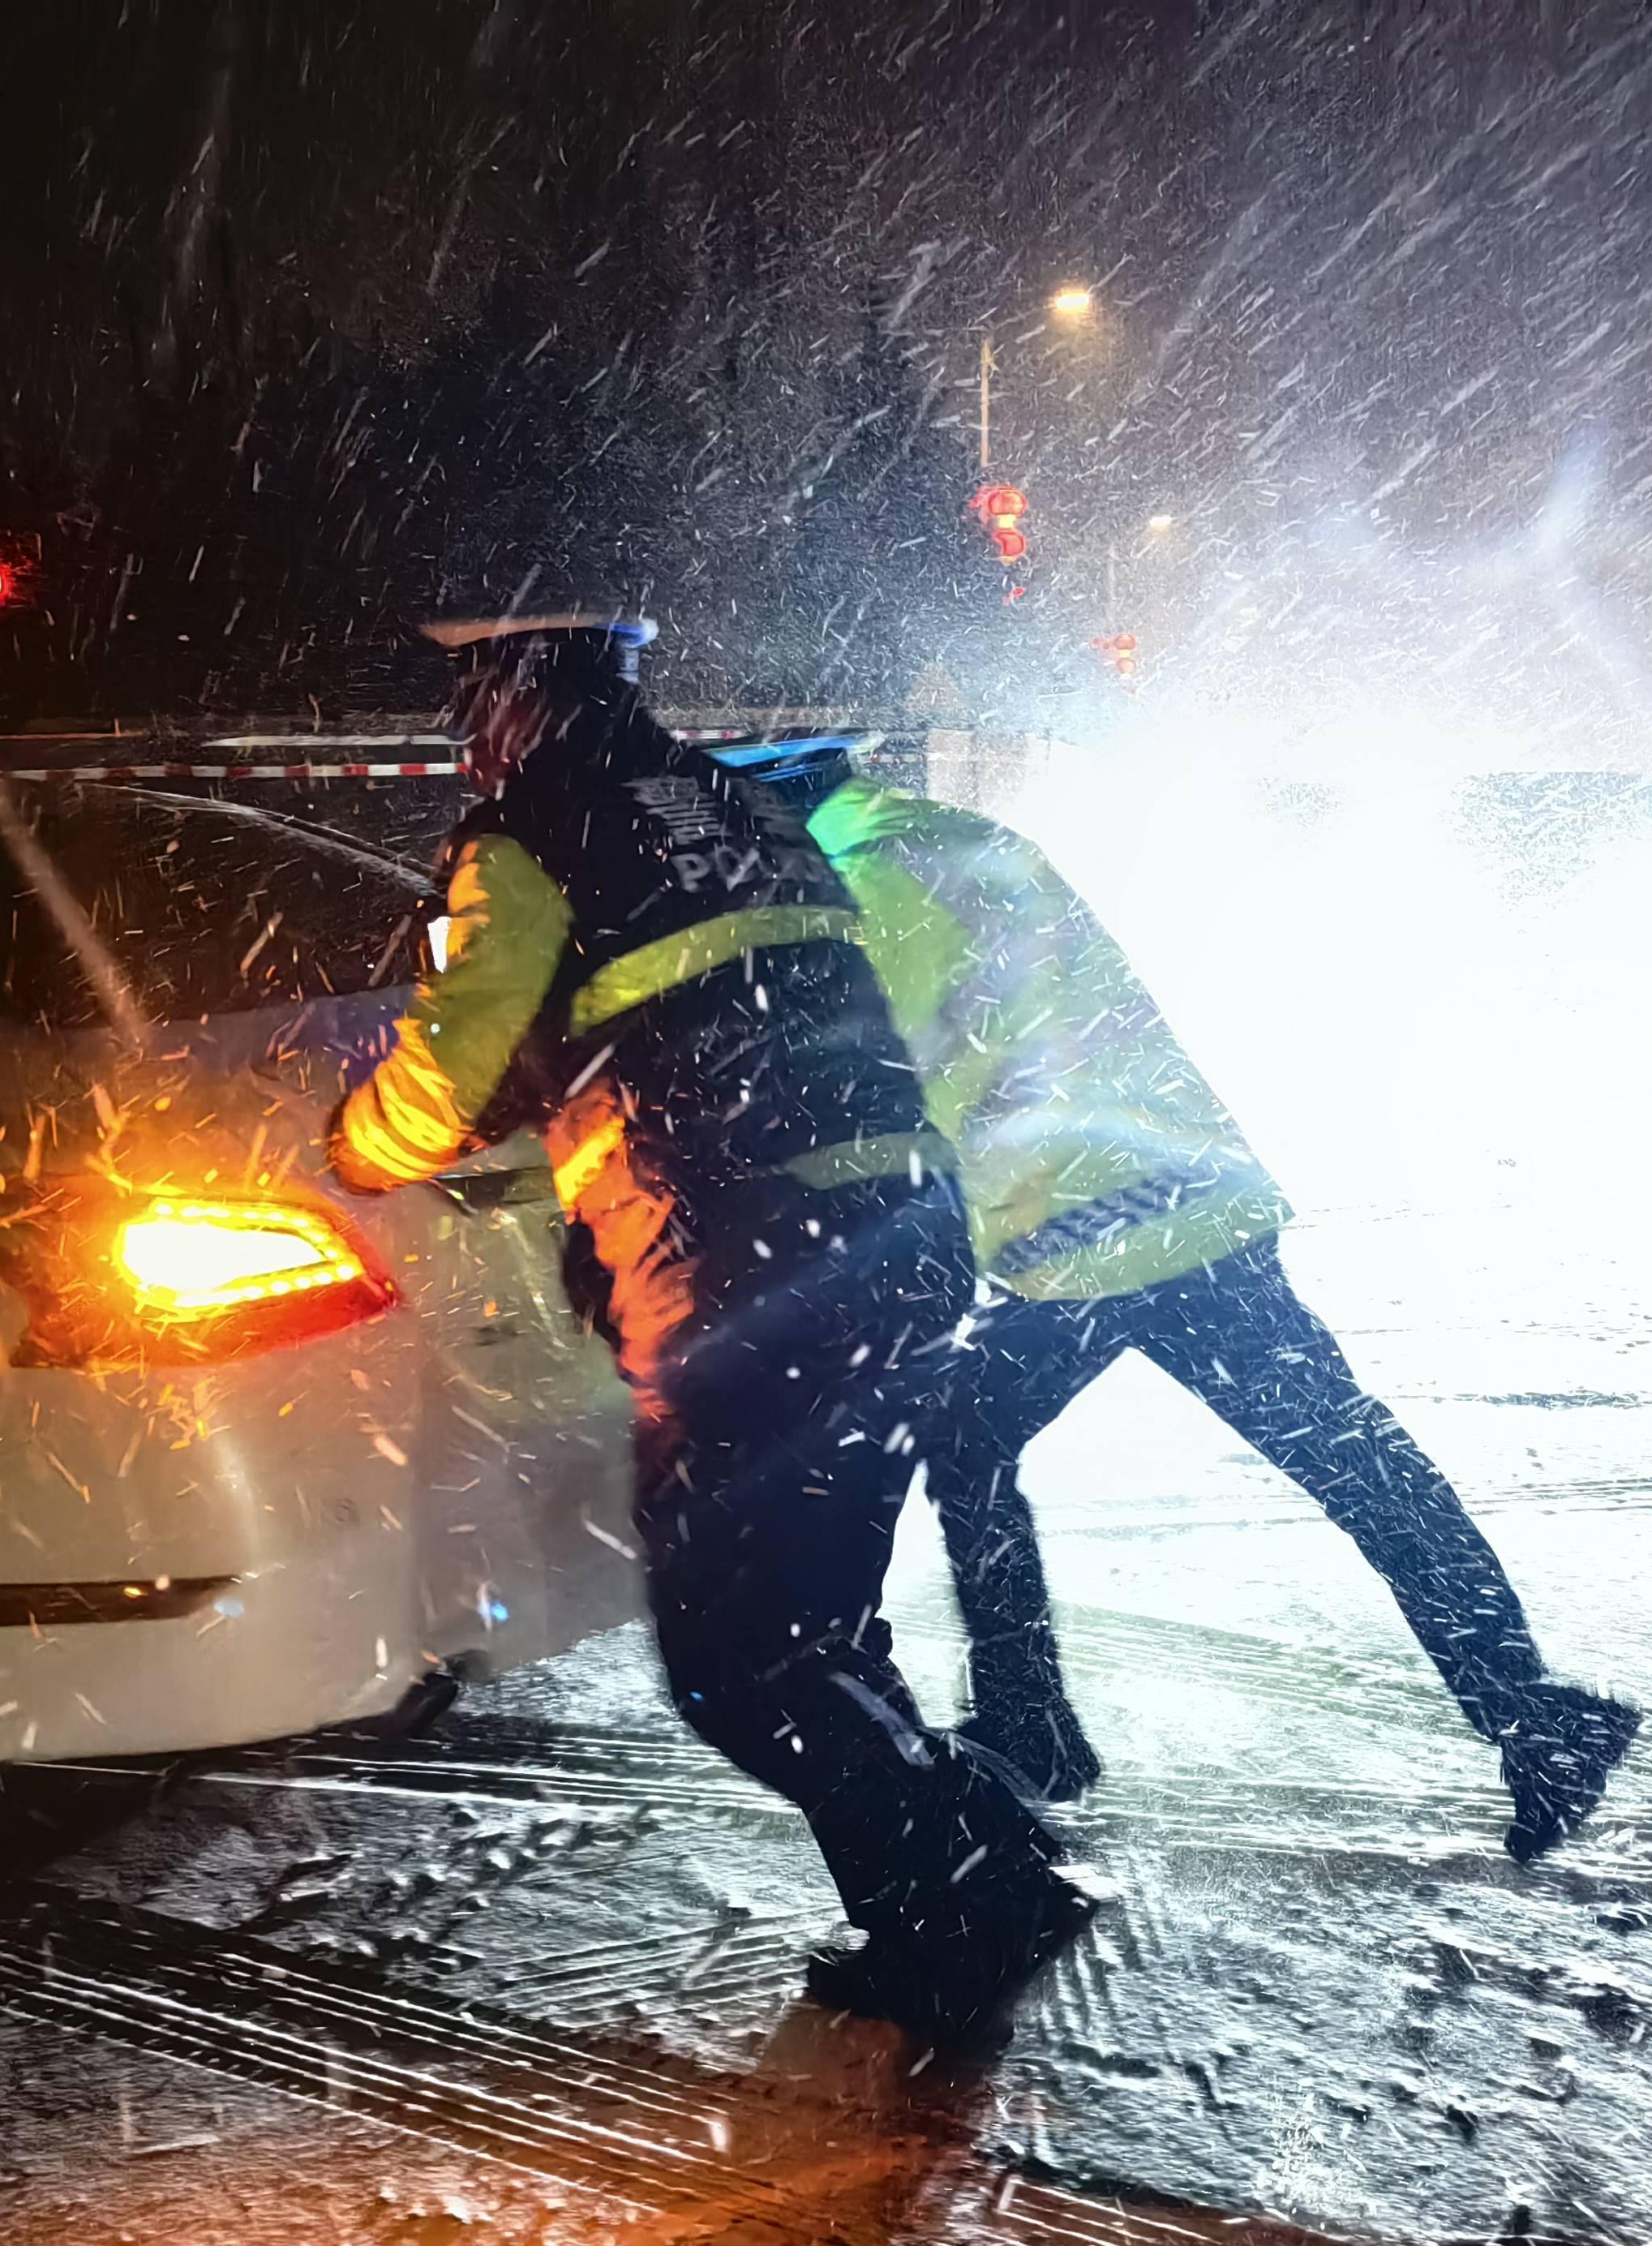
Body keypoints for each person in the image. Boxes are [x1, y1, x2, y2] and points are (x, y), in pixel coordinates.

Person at [329, 616, 1086, 2025]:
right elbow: (701, 999)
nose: (461, 728)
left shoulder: (528, 834)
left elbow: (447, 1074)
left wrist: (352, 1142)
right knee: (824, 1626)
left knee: (738, 1661)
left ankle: (977, 1905)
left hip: (748, 1272)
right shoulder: (738, 802)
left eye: (468, 694)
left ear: (517, 689)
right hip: (896, 1239)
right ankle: (964, 1904)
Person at [805, 762, 1638, 1860]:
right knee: (1354, 1462)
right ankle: (1532, 1713)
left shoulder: (865, 882)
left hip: (1094, 1227)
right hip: (1177, 1188)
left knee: (973, 1442)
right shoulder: (948, 835)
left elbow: (862, 1074)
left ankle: (1033, 1729)